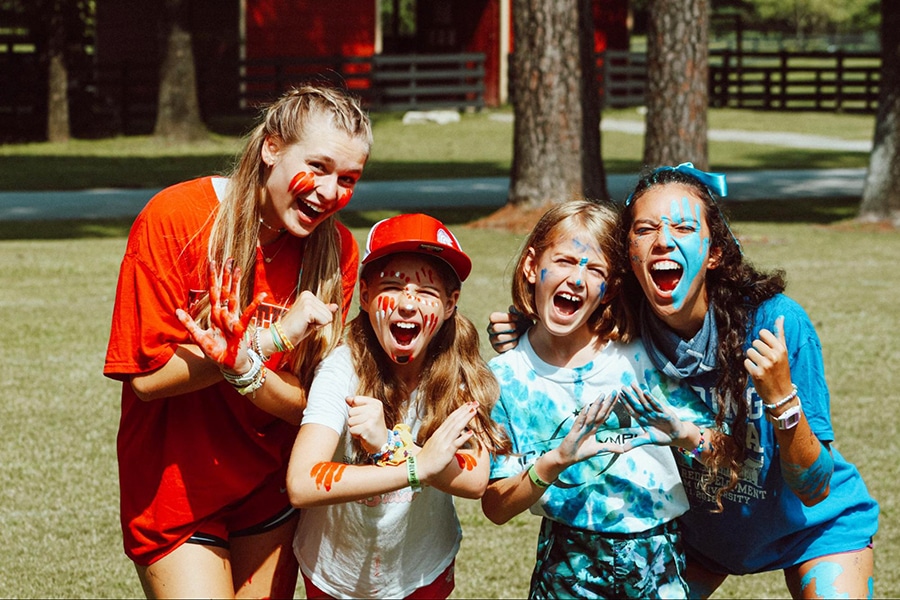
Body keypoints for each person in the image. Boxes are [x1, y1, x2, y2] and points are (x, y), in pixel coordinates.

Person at [103, 84, 372, 598]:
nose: (330, 192)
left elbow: (311, 406)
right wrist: (269, 339)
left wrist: (243, 363)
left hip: (269, 491)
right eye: (317, 166)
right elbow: (146, 380)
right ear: (272, 147)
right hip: (175, 489)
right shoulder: (177, 218)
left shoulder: (335, 250)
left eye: (348, 179)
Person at [613, 163, 878, 598]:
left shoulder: (775, 323)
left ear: (714, 252)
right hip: (700, 539)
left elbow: (814, 488)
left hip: (814, 528)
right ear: (629, 253)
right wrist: (526, 334)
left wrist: (780, 399)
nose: (662, 240)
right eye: (644, 229)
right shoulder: (621, 329)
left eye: (682, 226)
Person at [480, 200, 717, 599]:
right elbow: (496, 507)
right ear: (530, 266)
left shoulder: (642, 354)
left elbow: (721, 450)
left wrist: (682, 433)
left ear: (611, 289)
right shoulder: (505, 378)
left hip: (656, 554)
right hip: (567, 559)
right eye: (566, 261)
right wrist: (554, 463)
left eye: (594, 269)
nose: (577, 279)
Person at [286, 213, 510, 599]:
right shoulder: (343, 367)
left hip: (421, 571)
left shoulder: (457, 369)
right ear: (366, 296)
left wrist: (392, 446)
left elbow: (475, 480)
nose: (408, 304)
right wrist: (419, 466)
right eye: (393, 286)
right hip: (337, 573)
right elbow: (302, 482)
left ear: (451, 303)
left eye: (426, 292)